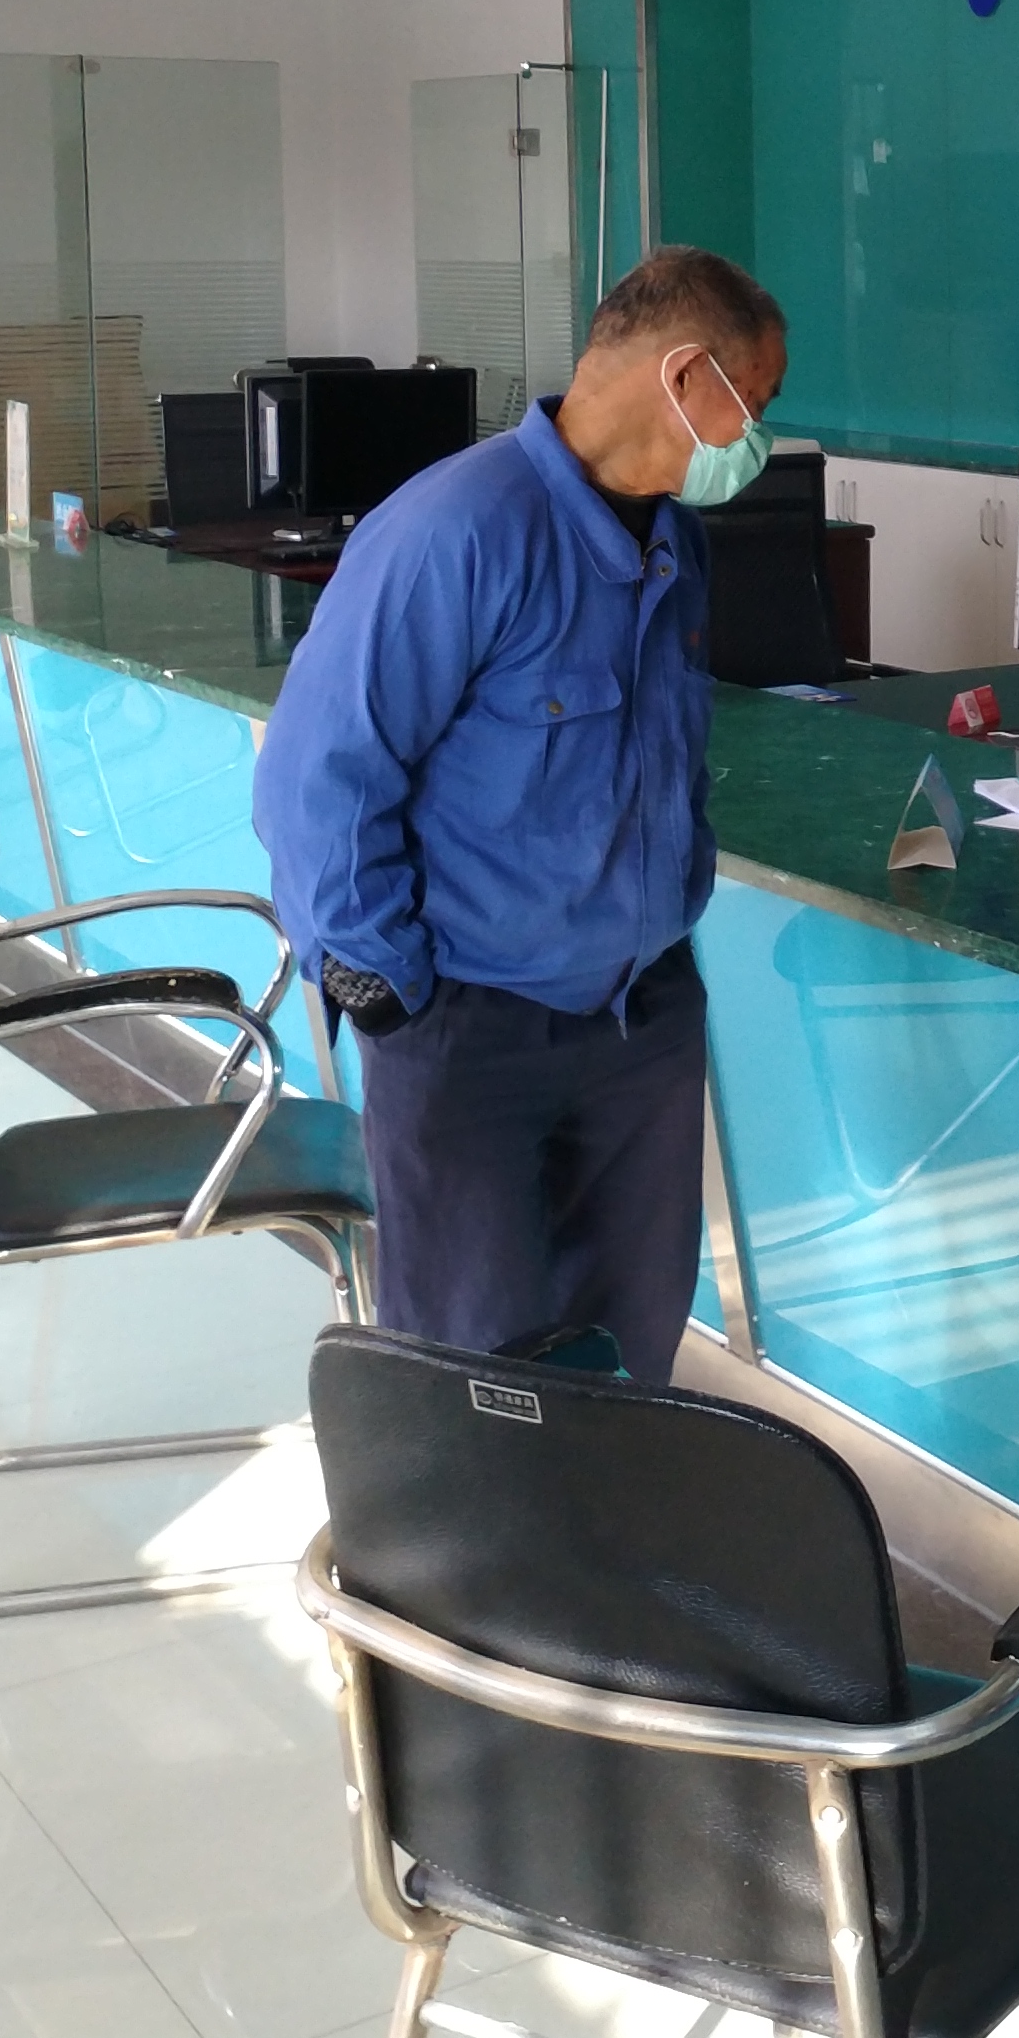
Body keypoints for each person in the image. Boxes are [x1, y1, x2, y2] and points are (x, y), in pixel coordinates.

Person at [251, 244, 792, 1374]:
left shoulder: (676, 539)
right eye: (756, 398)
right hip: (471, 1026)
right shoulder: (456, 529)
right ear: (685, 376)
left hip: (641, 1019)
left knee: (626, 1345)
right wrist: (387, 988)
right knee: (476, 1366)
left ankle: (605, 1498)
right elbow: (318, 773)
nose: (761, 434)